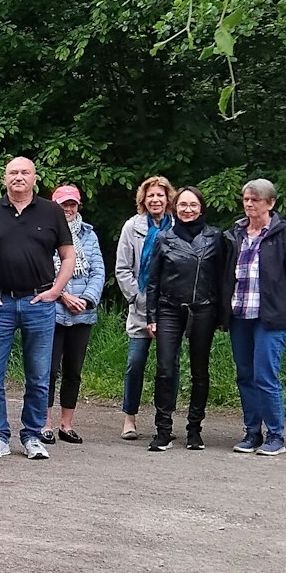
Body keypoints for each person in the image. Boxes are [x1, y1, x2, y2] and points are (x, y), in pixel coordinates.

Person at [0, 156, 74, 461]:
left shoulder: (51, 211)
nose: (19, 177)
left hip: (38, 302)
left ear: (34, 177)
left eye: (24, 172)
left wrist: (56, 290)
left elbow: (68, 257)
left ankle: (31, 435)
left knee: (39, 375)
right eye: (13, 172)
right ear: (5, 178)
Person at [222, 178, 286, 455]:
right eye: (246, 199)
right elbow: (225, 276)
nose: (249, 204)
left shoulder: (285, 235)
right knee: (245, 374)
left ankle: (275, 435)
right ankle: (251, 432)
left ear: (270, 203)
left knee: (265, 375)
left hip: (271, 317)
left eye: (255, 200)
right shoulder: (234, 234)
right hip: (240, 314)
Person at [142, 187, 226, 452]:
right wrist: (151, 316)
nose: (187, 209)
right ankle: (163, 430)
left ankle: (194, 430)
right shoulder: (164, 238)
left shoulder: (215, 237)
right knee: (165, 369)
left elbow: (223, 278)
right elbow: (153, 281)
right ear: (174, 208)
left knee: (200, 371)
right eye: (182, 205)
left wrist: (222, 315)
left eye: (193, 205)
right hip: (169, 309)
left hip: (203, 309)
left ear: (201, 207)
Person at [113, 176, 175, 440]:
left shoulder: (179, 227)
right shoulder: (132, 227)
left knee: (168, 366)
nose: (155, 200)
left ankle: (165, 422)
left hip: (171, 307)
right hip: (140, 306)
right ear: (143, 200)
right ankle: (130, 418)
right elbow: (122, 268)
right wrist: (138, 298)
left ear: (168, 199)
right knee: (135, 363)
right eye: (151, 196)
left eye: (160, 195)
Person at [42, 185, 104, 445]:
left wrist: (86, 300)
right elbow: (40, 269)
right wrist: (63, 295)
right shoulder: (44, 230)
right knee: (48, 370)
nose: (68, 209)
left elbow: (98, 271)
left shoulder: (89, 234)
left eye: (72, 204)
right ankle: (43, 423)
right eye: (63, 204)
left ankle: (66, 425)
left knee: (73, 370)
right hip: (52, 311)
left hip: (82, 313)